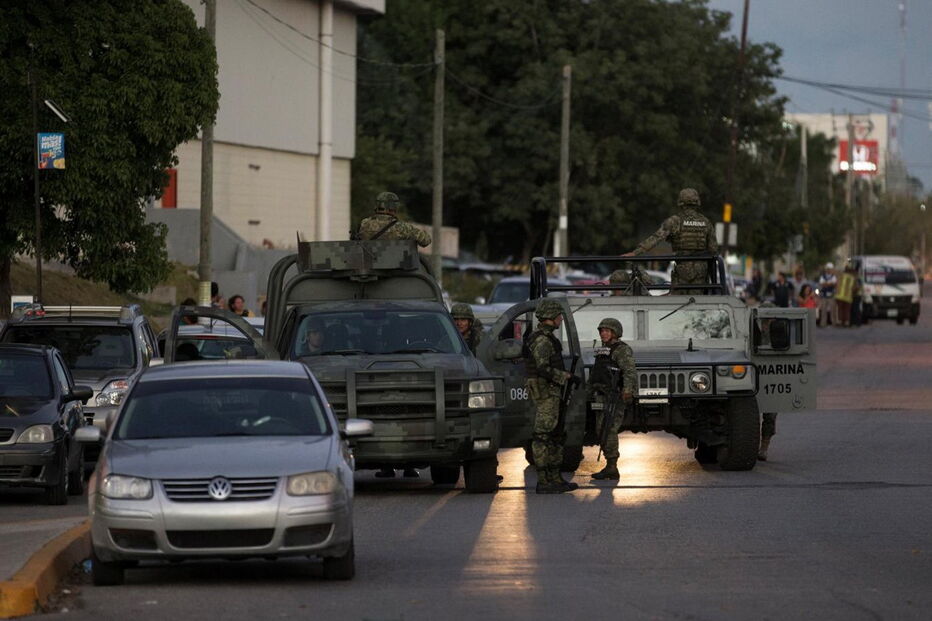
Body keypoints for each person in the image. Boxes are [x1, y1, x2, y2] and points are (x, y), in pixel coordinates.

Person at [524, 299, 578, 494]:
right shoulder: (542, 340)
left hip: (553, 392)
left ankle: (555, 478)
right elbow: (542, 368)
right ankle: (544, 481)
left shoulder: (547, 338)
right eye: (559, 316)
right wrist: (565, 376)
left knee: (556, 434)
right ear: (551, 317)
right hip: (546, 392)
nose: (561, 320)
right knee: (543, 436)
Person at [624, 188, 718, 293]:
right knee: (698, 302)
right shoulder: (706, 222)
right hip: (702, 272)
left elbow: (656, 238)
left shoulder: (675, 221)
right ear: (697, 202)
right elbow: (713, 249)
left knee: (679, 302)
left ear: (681, 202)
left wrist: (635, 253)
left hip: (683, 269)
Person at [588, 318, 636, 481]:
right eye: (601, 331)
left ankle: (612, 466)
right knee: (601, 429)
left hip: (614, 397)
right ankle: (610, 466)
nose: (603, 333)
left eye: (607, 331)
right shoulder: (604, 350)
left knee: (608, 429)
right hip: (601, 395)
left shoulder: (621, 350)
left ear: (615, 332)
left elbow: (629, 371)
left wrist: (627, 390)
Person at [355, 192, 432, 247]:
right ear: (393, 207)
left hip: (367, 267)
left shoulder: (363, 224)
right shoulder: (402, 227)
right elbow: (426, 241)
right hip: (395, 268)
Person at [756, 302, 778, 461]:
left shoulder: (779, 334)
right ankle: (751, 445)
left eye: (769, 319)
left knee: (770, 415)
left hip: (771, 378)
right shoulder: (753, 332)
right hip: (755, 377)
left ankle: (764, 446)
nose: (767, 323)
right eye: (764, 320)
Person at [834, 263, 857, 327]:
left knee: (840, 309)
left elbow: (836, 284)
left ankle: (840, 321)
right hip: (848, 296)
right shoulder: (853, 278)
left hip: (839, 296)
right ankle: (846, 322)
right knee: (847, 310)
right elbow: (855, 288)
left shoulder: (840, 276)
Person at [816, 262, 837, 327]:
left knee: (833, 310)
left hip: (831, 295)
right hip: (824, 295)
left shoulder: (834, 276)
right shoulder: (823, 276)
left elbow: (834, 284)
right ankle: (823, 323)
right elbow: (822, 284)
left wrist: (826, 284)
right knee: (823, 310)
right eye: (828, 269)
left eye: (830, 269)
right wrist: (829, 284)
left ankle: (834, 323)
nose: (829, 270)